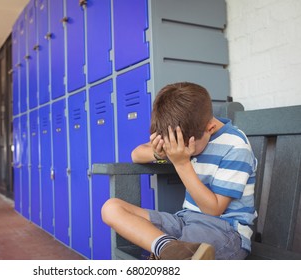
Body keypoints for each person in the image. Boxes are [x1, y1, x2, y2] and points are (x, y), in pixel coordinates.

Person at [101, 82, 257, 260]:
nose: (178, 150)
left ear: (210, 128)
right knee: (111, 208)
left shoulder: (236, 146)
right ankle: (168, 247)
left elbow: (213, 210)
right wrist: (158, 152)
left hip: (225, 231)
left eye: (183, 147)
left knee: (186, 246)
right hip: (185, 220)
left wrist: (182, 163)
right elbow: (136, 155)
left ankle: (172, 252)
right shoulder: (188, 137)